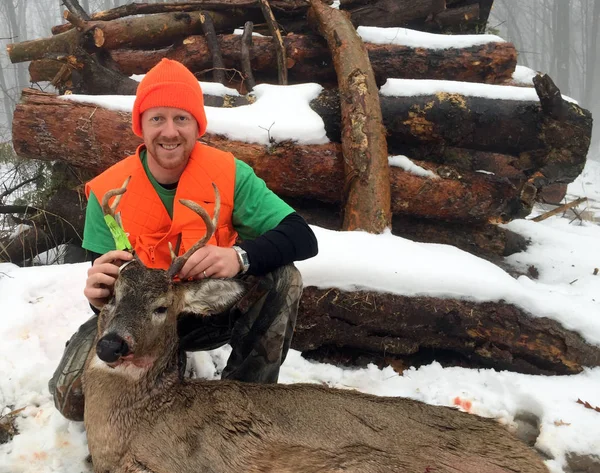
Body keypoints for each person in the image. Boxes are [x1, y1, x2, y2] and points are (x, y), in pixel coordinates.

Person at [48, 58, 318, 421]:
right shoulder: (108, 193)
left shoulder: (229, 174)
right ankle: (161, 369)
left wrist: (239, 257)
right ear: (141, 125)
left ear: (197, 125)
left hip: (204, 308)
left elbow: (301, 236)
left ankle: (249, 401)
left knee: (285, 278)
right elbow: (106, 288)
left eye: (181, 118)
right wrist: (98, 298)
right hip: (137, 321)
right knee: (72, 400)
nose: (170, 131)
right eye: (157, 118)